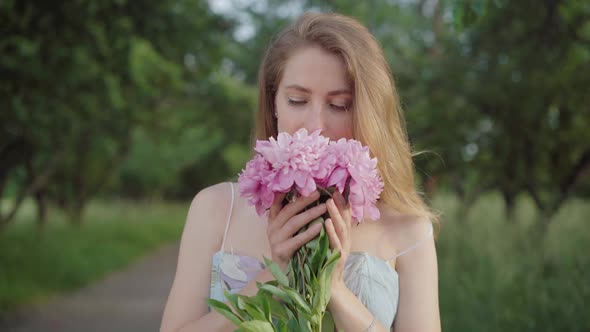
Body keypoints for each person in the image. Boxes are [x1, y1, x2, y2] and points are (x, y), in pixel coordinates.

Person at [160, 12, 441, 332]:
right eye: (297, 100)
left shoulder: (409, 229)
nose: (315, 126)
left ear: (367, 112)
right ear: (274, 103)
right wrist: (276, 272)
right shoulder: (215, 209)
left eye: (339, 105)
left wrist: (334, 288)